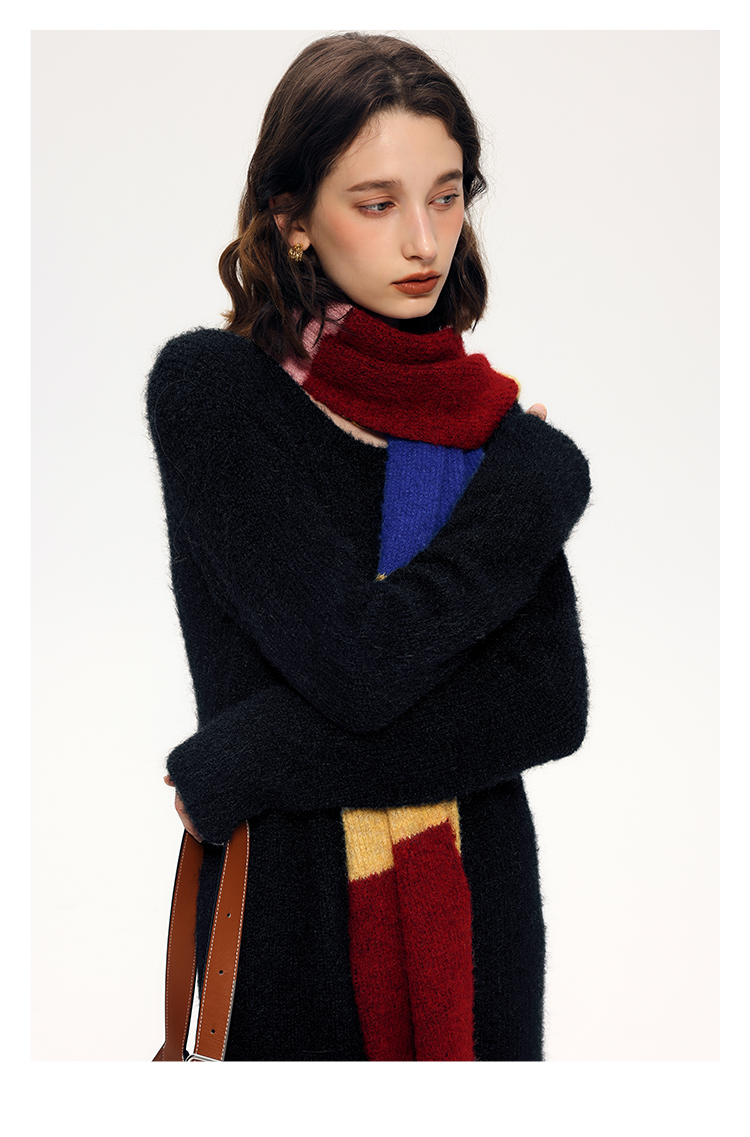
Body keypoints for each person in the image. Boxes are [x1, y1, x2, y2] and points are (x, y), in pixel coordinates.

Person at [147, 32, 591, 1062]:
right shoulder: (216, 395)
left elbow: (546, 705)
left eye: (446, 195)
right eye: (377, 202)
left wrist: (250, 754)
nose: (423, 240)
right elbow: (360, 665)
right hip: (290, 925)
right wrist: (524, 496)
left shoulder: (490, 440)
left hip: (480, 922)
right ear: (293, 219)